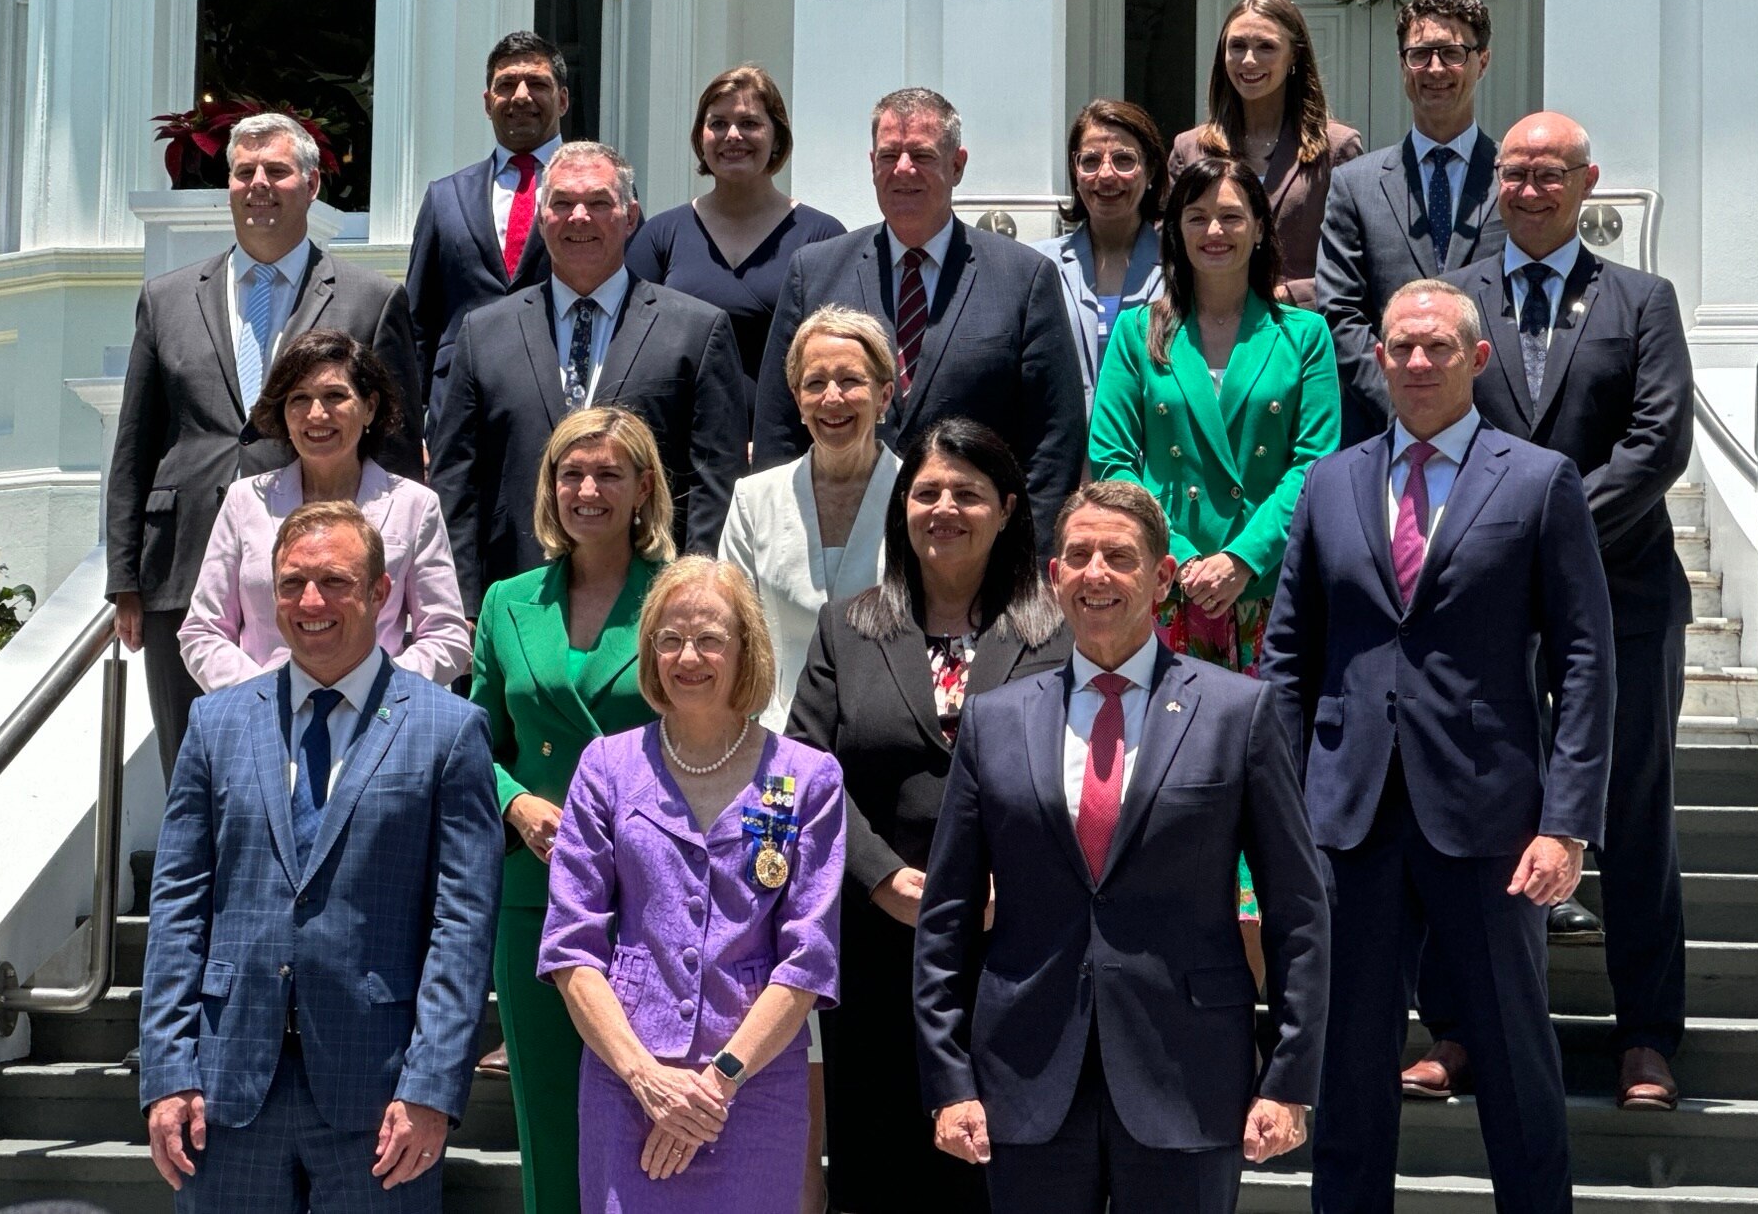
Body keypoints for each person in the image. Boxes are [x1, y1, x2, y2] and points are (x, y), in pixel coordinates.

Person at [1261, 279, 1614, 1214]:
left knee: (1514, 1065)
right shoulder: (1331, 481)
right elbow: (1288, 654)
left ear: (1478, 359)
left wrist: (1568, 823)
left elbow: (1584, 660)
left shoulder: (1538, 480)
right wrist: (1279, 810)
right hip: (1347, 816)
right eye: (1400, 347)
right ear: (1376, 359)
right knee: (1347, 1069)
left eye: (1438, 348)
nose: (1417, 362)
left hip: (1492, 819)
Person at [913, 479, 1328, 1214]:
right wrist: (949, 1080)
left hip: (1189, 1076)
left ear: (1163, 577)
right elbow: (944, 919)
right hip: (1027, 1078)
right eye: (1077, 555)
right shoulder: (994, 722)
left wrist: (1290, 1077)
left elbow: (1297, 909)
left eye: (1119, 556)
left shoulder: (1239, 712)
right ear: (1054, 577)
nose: (1095, 573)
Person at [1405, 113, 1692, 1112]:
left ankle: (1647, 1037)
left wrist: (1545, 533)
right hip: (1481, 614)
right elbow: (1434, 425)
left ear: (1585, 182)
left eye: (1547, 173)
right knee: (1472, 815)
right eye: (1513, 174)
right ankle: (1457, 1027)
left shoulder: (1639, 300)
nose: (1528, 188)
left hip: (1623, 603)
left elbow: (1658, 446)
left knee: (1631, 815)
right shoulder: (1455, 302)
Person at [138, 501, 501, 1212]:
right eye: (292, 583)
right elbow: (178, 908)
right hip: (226, 1092)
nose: (310, 602)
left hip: (380, 1100)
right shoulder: (216, 724)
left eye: (335, 581)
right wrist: (167, 1070)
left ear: (380, 592)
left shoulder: (449, 732)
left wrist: (430, 1088)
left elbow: (462, 930)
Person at [787, 418, 1070, 1214]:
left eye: (969, 493)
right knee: (880, 1170)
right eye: (927, 491)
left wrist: (1005, 880)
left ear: (1009, 508)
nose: (945, 508)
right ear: (900, 506)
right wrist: (879, 878)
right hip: (879, 943)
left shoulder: (1057, 633)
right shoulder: (848, 627)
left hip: (1015, 943)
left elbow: (1083, 769)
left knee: (996, 1169)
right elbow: (804, 775)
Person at [108, 111, 424, 783]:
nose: (258, 185)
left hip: (318, 574)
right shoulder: (166, 300)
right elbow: (136, 439)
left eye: (276, 171)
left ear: (312, 186)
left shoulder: (372, 299)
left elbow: (395, 446)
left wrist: (389, 568)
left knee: (318, 773)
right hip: (183, 561)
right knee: (192, 769)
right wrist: (125, 577)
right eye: (243, 172)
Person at [1087, 154, 1338, 974]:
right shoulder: (1138, 330)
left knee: (1264, 787)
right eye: (1197, 217)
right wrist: (1188, 558)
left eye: (1231, 215)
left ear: (1261, 226)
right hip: (1163, 597)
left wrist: (1240, 557)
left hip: (1271, 598)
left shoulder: (1304, 333)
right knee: (1164, 781)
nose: (1215, 231)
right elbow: (1114, 457)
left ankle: (1275, 992)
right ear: (1175, 230)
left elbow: (1314, 462)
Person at [538, 558, 846, 1213]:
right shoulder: (605, 768)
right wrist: (647, 1079)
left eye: (710, 639)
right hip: (628, 1085)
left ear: (746, 650)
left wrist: (718, 1083)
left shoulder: (806, 778)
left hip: (755, 1089)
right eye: (669, 639)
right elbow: (570, 947)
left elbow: (808, 958)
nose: (688, 657)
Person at [474, 407, 677, 1214]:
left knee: (650, 1118)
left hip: (656, 893)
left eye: (608, 475)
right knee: (552, 1123)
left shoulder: (683, 593)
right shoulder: (506, 602)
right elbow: (471, 746)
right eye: (570, 474)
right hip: (539, 897)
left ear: (643, 489)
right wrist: (518, 804)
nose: (587, 490)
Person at [752, 88, 1086, 558]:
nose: (903, 168)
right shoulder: (816, 273)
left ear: (957, 164)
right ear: (872, 164)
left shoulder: (1023, 279)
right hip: (839, 551)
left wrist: (1027, 560)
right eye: (889, 154)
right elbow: (779, 428)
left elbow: (1055, 440)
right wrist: (782, 542)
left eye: (922, 155)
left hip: (977, 556)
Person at [429, 140, 749, 615]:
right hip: (517, 602)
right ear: (542, 217)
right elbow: (456, 483)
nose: (579, 217)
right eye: (562, 202)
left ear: (631, 215)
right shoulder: (483, 333)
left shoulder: (697, 331)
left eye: (599, 202)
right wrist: (465, 611)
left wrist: (693, 598)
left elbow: (713, 483)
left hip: (649, 610)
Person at [178, 329, 470, 692]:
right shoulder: (245, 501)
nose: (316, 414)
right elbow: (203, 631)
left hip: (379, 720)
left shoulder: (414, 504)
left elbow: (447, 636)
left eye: (334, 396)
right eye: (299, 398)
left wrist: (380, 691)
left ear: (369, 407)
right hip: (265, 717)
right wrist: (262, 696)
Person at [1315, 0, 1506, 443]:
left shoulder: (1514, 182)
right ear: (1403, 66)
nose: (1435, 69)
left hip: (1495, 426)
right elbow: (1339, 310)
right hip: (1383, 428)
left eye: (1452, 53)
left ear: (1482, 61)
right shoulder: (1354, 184)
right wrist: (1404, 397)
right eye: (1420, 55)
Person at [628, 66, 845, 422]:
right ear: (701, 138)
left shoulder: (821, 236)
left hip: (787, 454)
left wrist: (768, 445)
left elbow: (836, 357)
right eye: (717, 123)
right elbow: (636, 352)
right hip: (683, 451)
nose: (732, 135)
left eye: (749, 123)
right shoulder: (659, 236)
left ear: (777, 138)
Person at [720, 305, 901, 731]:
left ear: (884, 396)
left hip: (891, 738)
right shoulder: (753, 500)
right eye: (815, 383)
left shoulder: (919, 500)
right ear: (798, 401)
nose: (832, 398)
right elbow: (732, 629)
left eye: (851, 381)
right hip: (777, 737)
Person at [405, 31, 569, 429]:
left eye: (538, 84)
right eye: (507, 84)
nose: (521, 96)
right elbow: (417, 324)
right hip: (457, 414)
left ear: (563, 100)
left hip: (561, 404)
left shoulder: (602, 191)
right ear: (487, 102)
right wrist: (411, 432)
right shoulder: (445, 197)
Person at [1168, 0, 1363, 310]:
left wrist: (1289, 295)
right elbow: (1172, 252)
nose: (1248, 60)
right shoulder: (1189, 149)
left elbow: (1353, 259)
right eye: (1237, 46)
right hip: (1209, 329)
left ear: (1294, 56)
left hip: (1300, 332)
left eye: (1266, 47)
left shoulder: (1337, 148)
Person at [1033, 100, 1166, 414]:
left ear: (1151, 171)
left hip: (1153, 457)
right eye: (1090, 161)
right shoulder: (1038, 266)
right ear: (1075, 173)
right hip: (1067, 456)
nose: (1106, 175)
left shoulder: (1182, 266)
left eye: (1123, 159)